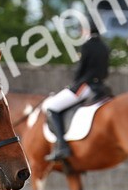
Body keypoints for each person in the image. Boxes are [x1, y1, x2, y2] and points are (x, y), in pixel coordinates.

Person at [44, 19, 111, 162]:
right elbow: (105, 72)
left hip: (85, 86)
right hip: (100, 87)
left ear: (87, 30)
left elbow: (80, 70)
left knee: (51, 107)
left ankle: (62, 146)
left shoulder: (86, 46)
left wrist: (73, 84)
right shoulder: (105, 47)